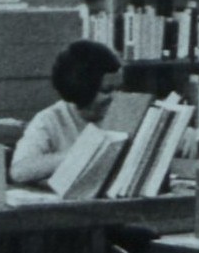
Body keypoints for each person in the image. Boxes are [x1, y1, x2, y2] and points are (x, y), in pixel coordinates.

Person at [11, 40, 124, 185]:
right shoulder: (49, 119)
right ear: (83, 89)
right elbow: (19, 171)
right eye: (107, 90)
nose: (116, 97)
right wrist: (82, 155)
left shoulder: (125, 113)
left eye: (119, 88)